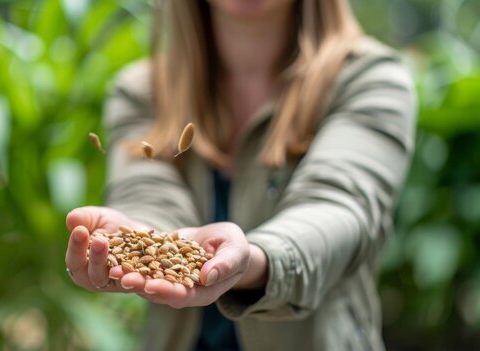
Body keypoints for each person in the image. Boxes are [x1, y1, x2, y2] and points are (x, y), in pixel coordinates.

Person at [65, 0, 416, 350]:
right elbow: (149, 194)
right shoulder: (142, 90)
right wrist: (137, 237)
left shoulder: (371, 79)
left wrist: (256, 257)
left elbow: (339, 207)